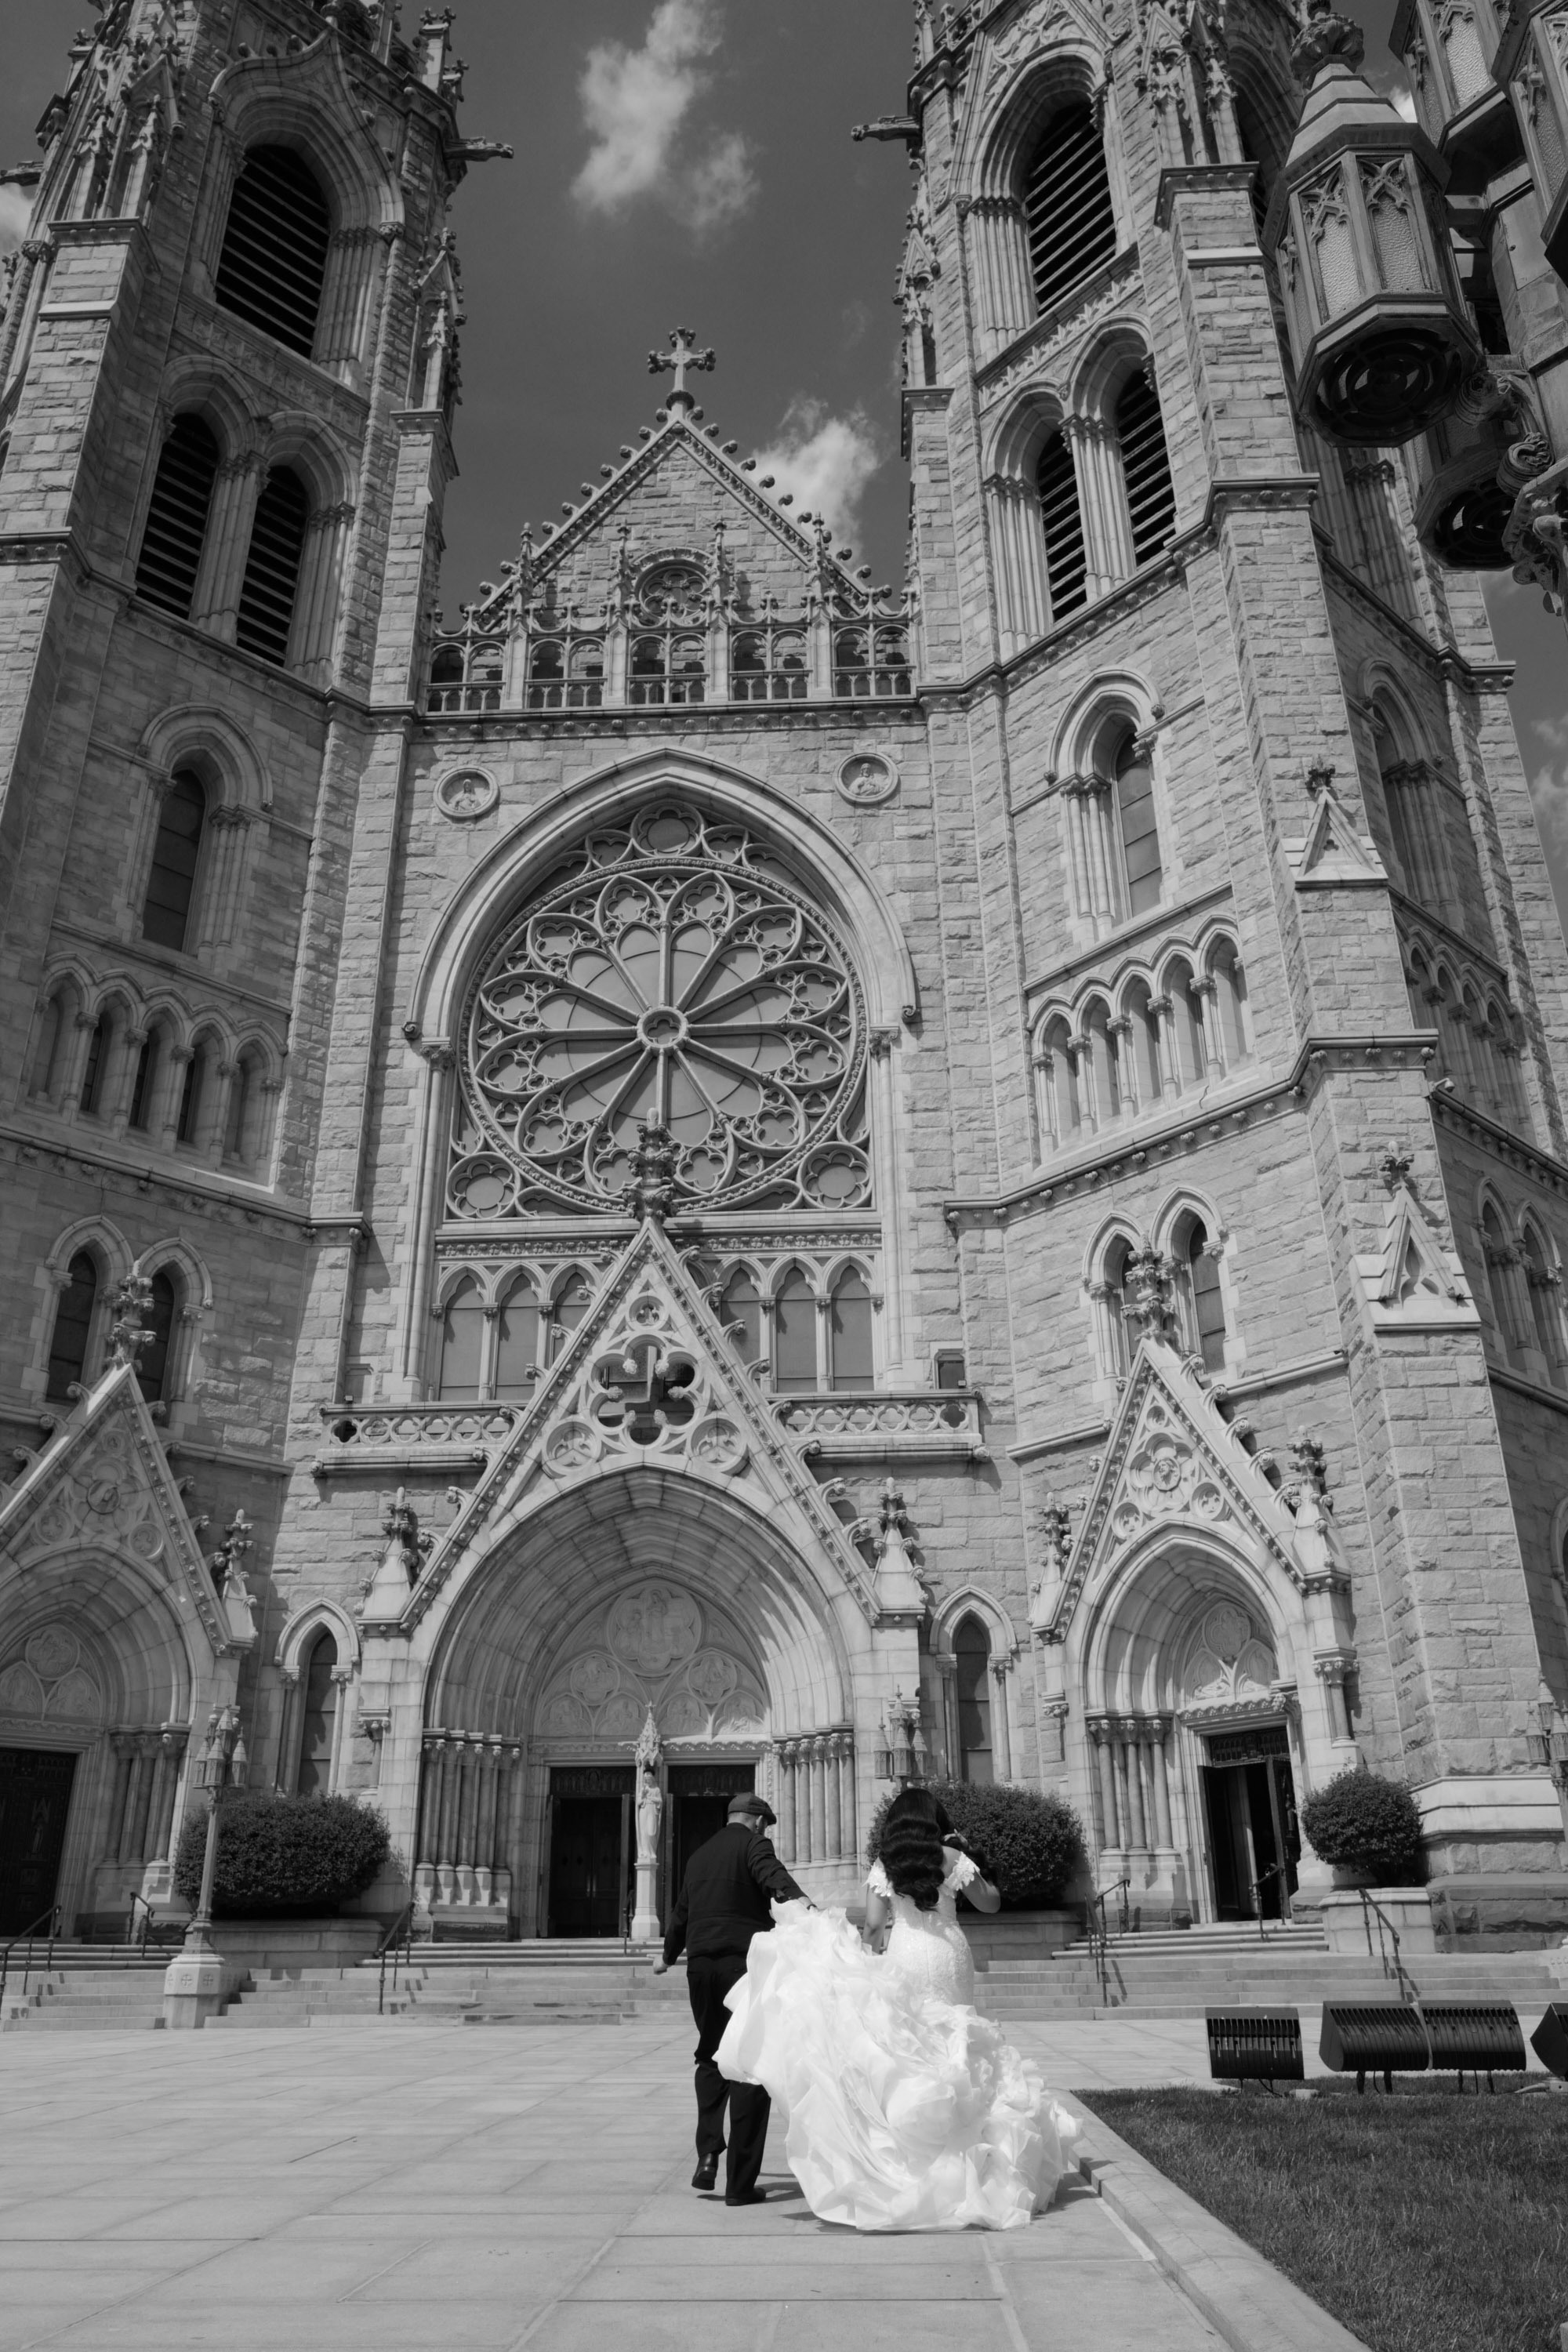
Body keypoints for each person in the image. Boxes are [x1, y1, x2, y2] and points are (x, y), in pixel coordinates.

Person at [716, 1786, 1084, 2231]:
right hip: (949, 1953)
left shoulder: (884, 1862)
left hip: (906, 1954)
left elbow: (873, 1926)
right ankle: (972, 2146)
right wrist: (972, 1859)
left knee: (912, 2048)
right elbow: (991, 1903)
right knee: (957, 2044)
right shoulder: (951, 1857)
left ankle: (918, 2153)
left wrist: (863, 1964)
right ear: (936, 1820)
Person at [652, 1789, 805, 2205]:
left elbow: (681, 1912)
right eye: (765, 1824)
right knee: (749, 2061)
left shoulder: (698, 1855)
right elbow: (771, 1875)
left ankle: (707, 2152)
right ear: (756, 1820)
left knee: (710, 2055)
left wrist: (667, 1956)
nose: (765, 1830)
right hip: (742, 1965)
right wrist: (805, 1907)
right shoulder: (755, 1844)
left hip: (701, 1967)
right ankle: (739, 2184)